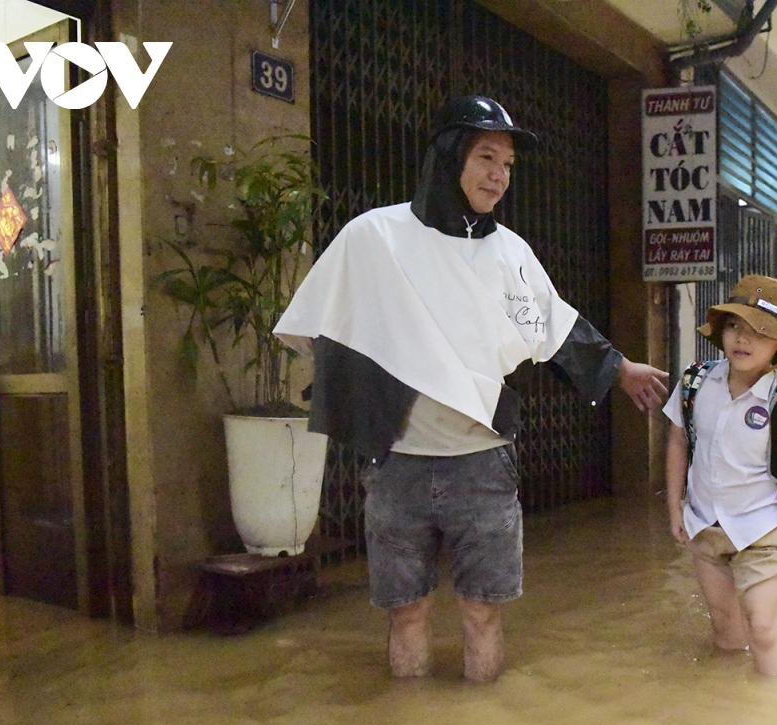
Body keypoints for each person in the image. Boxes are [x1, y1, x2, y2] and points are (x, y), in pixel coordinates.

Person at [273, 96, 668, 683]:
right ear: (449, 158)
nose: (499, 176)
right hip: (398, 464)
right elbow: (319, 325)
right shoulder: (373, 237)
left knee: (483, 615)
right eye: (487, 157)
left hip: (482, 464)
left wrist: (618, 367)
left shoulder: (511, 253)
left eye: (508, 165)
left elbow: (552, 324)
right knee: (406, 616)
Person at [662, 275, 777, 678]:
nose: (742, 340)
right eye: (735, 326)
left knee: (765, 632)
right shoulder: (696, 384)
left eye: (759, 332)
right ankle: (728, 713)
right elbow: (678, 443)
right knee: (725, 630)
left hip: (762, 533)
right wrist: (675, 511)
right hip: (705, 524)